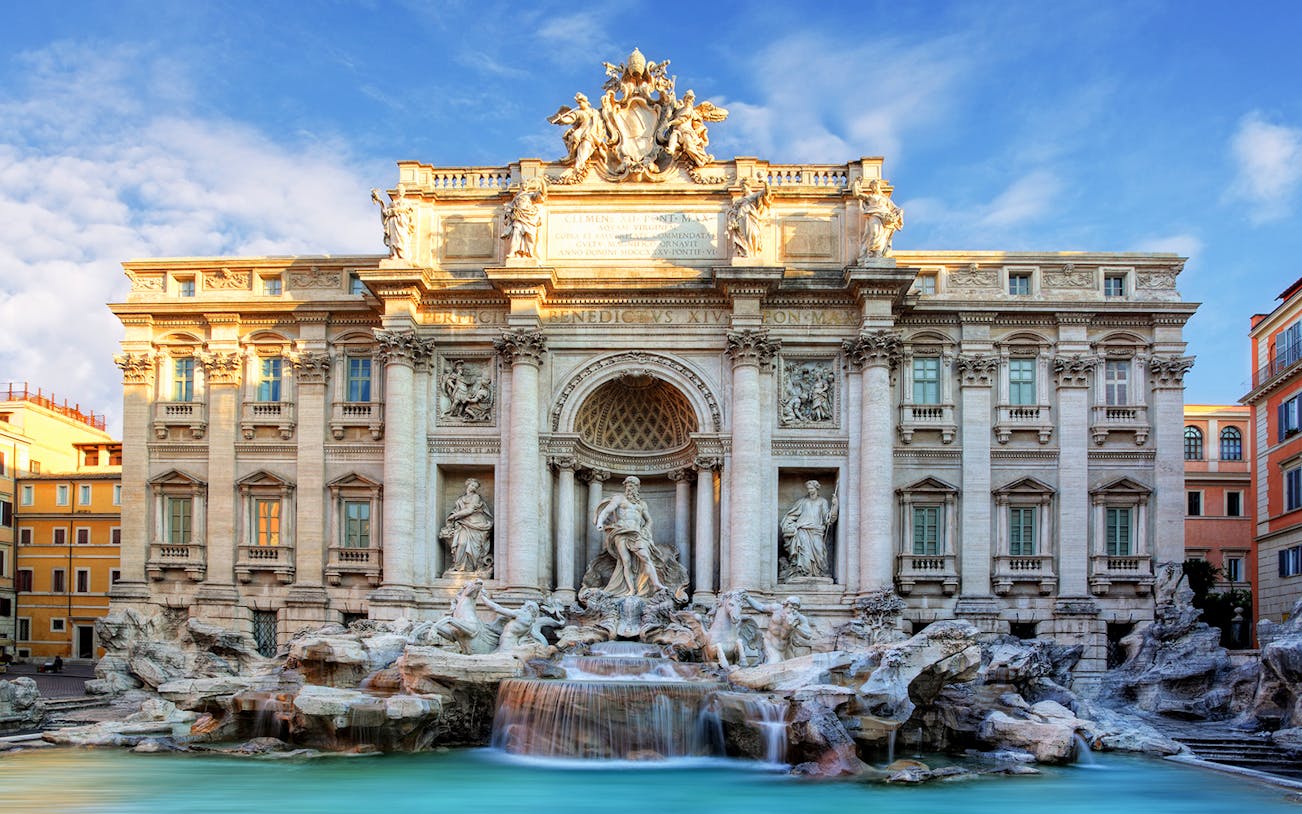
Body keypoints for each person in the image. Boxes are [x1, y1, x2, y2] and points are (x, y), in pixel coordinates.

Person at [594, 476, 667, 597]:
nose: (629, 488)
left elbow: (649, 521)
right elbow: (607, 510)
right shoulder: (619, 498)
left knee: (645, 557)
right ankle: (631, 589)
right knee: (626, 562)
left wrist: (646, 530)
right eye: (627, 485)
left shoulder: (642, 504)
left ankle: (656, 584)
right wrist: (600, 521)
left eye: (632, 485)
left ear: (637, 488)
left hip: (636, 534)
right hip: (621, 532)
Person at [781, 480, 838, 579]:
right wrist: (788, 525)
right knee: (804, 554)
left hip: (817, 531)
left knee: (820, 553)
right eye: (808, 489)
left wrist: (835, 506)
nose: (809, 490)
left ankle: (819, 573)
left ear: (816, 488)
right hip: (802, 530)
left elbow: (828, 518)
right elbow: (791, 515)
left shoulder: (822, 501)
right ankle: (804, 573)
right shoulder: (802, 501)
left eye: (811, 488)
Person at [742, 593, 815, 664]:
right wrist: (748, 598)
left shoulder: (799, 618)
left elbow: (808, 635)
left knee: (793, 666)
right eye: (790, 607)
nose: (793, 610)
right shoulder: (776, 608)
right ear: (785, 605)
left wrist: (796, 626)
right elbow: (760, 607)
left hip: (786, 648)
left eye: (795, 609)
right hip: (770, 644)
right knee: (774, 663)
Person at [441, 479, 494, 574]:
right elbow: (457, 510)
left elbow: (469, 510)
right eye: (472, 485)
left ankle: (472, 568)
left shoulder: (476, 497)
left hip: (476, 523)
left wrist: (454, 516)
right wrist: (453, 516)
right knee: (462, 543)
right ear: (467, 485)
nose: (473, 488)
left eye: (475, 487)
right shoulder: (461, 499)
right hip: (463, 523)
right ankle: (458, 566)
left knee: (475, 547)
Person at [853, 178, 903, 260]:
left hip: (885, 217)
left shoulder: (885, 199)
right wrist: (856, 183)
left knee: (882, 236)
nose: (875, 187)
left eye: (876, 185)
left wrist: (899, 212)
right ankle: (872, 252)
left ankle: (878, 252)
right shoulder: (870, 197)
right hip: (874, 214)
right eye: (873, 186)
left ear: (879, 186)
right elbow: (857, 194)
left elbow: (895, 209)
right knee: (875, 232)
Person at [727, 178, 773, 258]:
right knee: (743, 237)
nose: (743, 188)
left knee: (753, 234)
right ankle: (746, 252)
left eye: (744, 186)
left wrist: (766, 183)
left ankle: (753, 253)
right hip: (741, 218)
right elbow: (733, 211)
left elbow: (766, 193)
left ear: (748, 186)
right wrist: (733, 220)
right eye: (741, 187)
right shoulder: (739, 201)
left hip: (751, 217)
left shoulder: (755, 195)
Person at [501, 180, 547, 259]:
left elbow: (542, 194)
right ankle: (512, 252)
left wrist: (542, 183)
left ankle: (530, 252)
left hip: (529, 217)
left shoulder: (530, 195)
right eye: (524, 184)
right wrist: (509, 213)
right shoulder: (516, 197)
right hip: (519, 217)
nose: (525, 186)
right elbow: (510, 207)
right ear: (521, 185)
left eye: (526, 184)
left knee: (531, 235)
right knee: (516, 234)